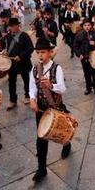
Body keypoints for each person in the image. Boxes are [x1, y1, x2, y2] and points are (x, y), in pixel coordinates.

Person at [28, 39, 72, 182]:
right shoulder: (35, 69)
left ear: (50, 53)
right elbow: (32, 88)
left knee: (60, 132)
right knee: (41, 138)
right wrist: (32, 99)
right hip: (41, 109)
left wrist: (51, 85)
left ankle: (66, 144)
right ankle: (42, 169)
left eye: (43, 52)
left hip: (56, 107)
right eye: (38, 52)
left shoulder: (56, 68)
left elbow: (63, 88)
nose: (40, 55)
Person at [3, 17, 34, 109]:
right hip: (12, 63)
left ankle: (28, 96)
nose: (11, 28)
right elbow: (8, 47)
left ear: (18, 25)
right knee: (11, 81)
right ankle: (13, 100)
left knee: (26, 79)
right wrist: (5, 52)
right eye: (10, 26)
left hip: (23, 62)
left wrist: (20, 56)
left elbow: (30, 48)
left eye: (13, 26)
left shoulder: (24, 35)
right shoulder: (8, 36)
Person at [73, 19, 95, 96]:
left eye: (88, 25)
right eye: (85, 25)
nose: (87, 27)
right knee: (86, 73)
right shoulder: (79, 35)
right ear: (83, 26)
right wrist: (79, 54)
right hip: (84, 57)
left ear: (91, 25)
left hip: (94, 57)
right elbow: (75, 46)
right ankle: (88, 88)